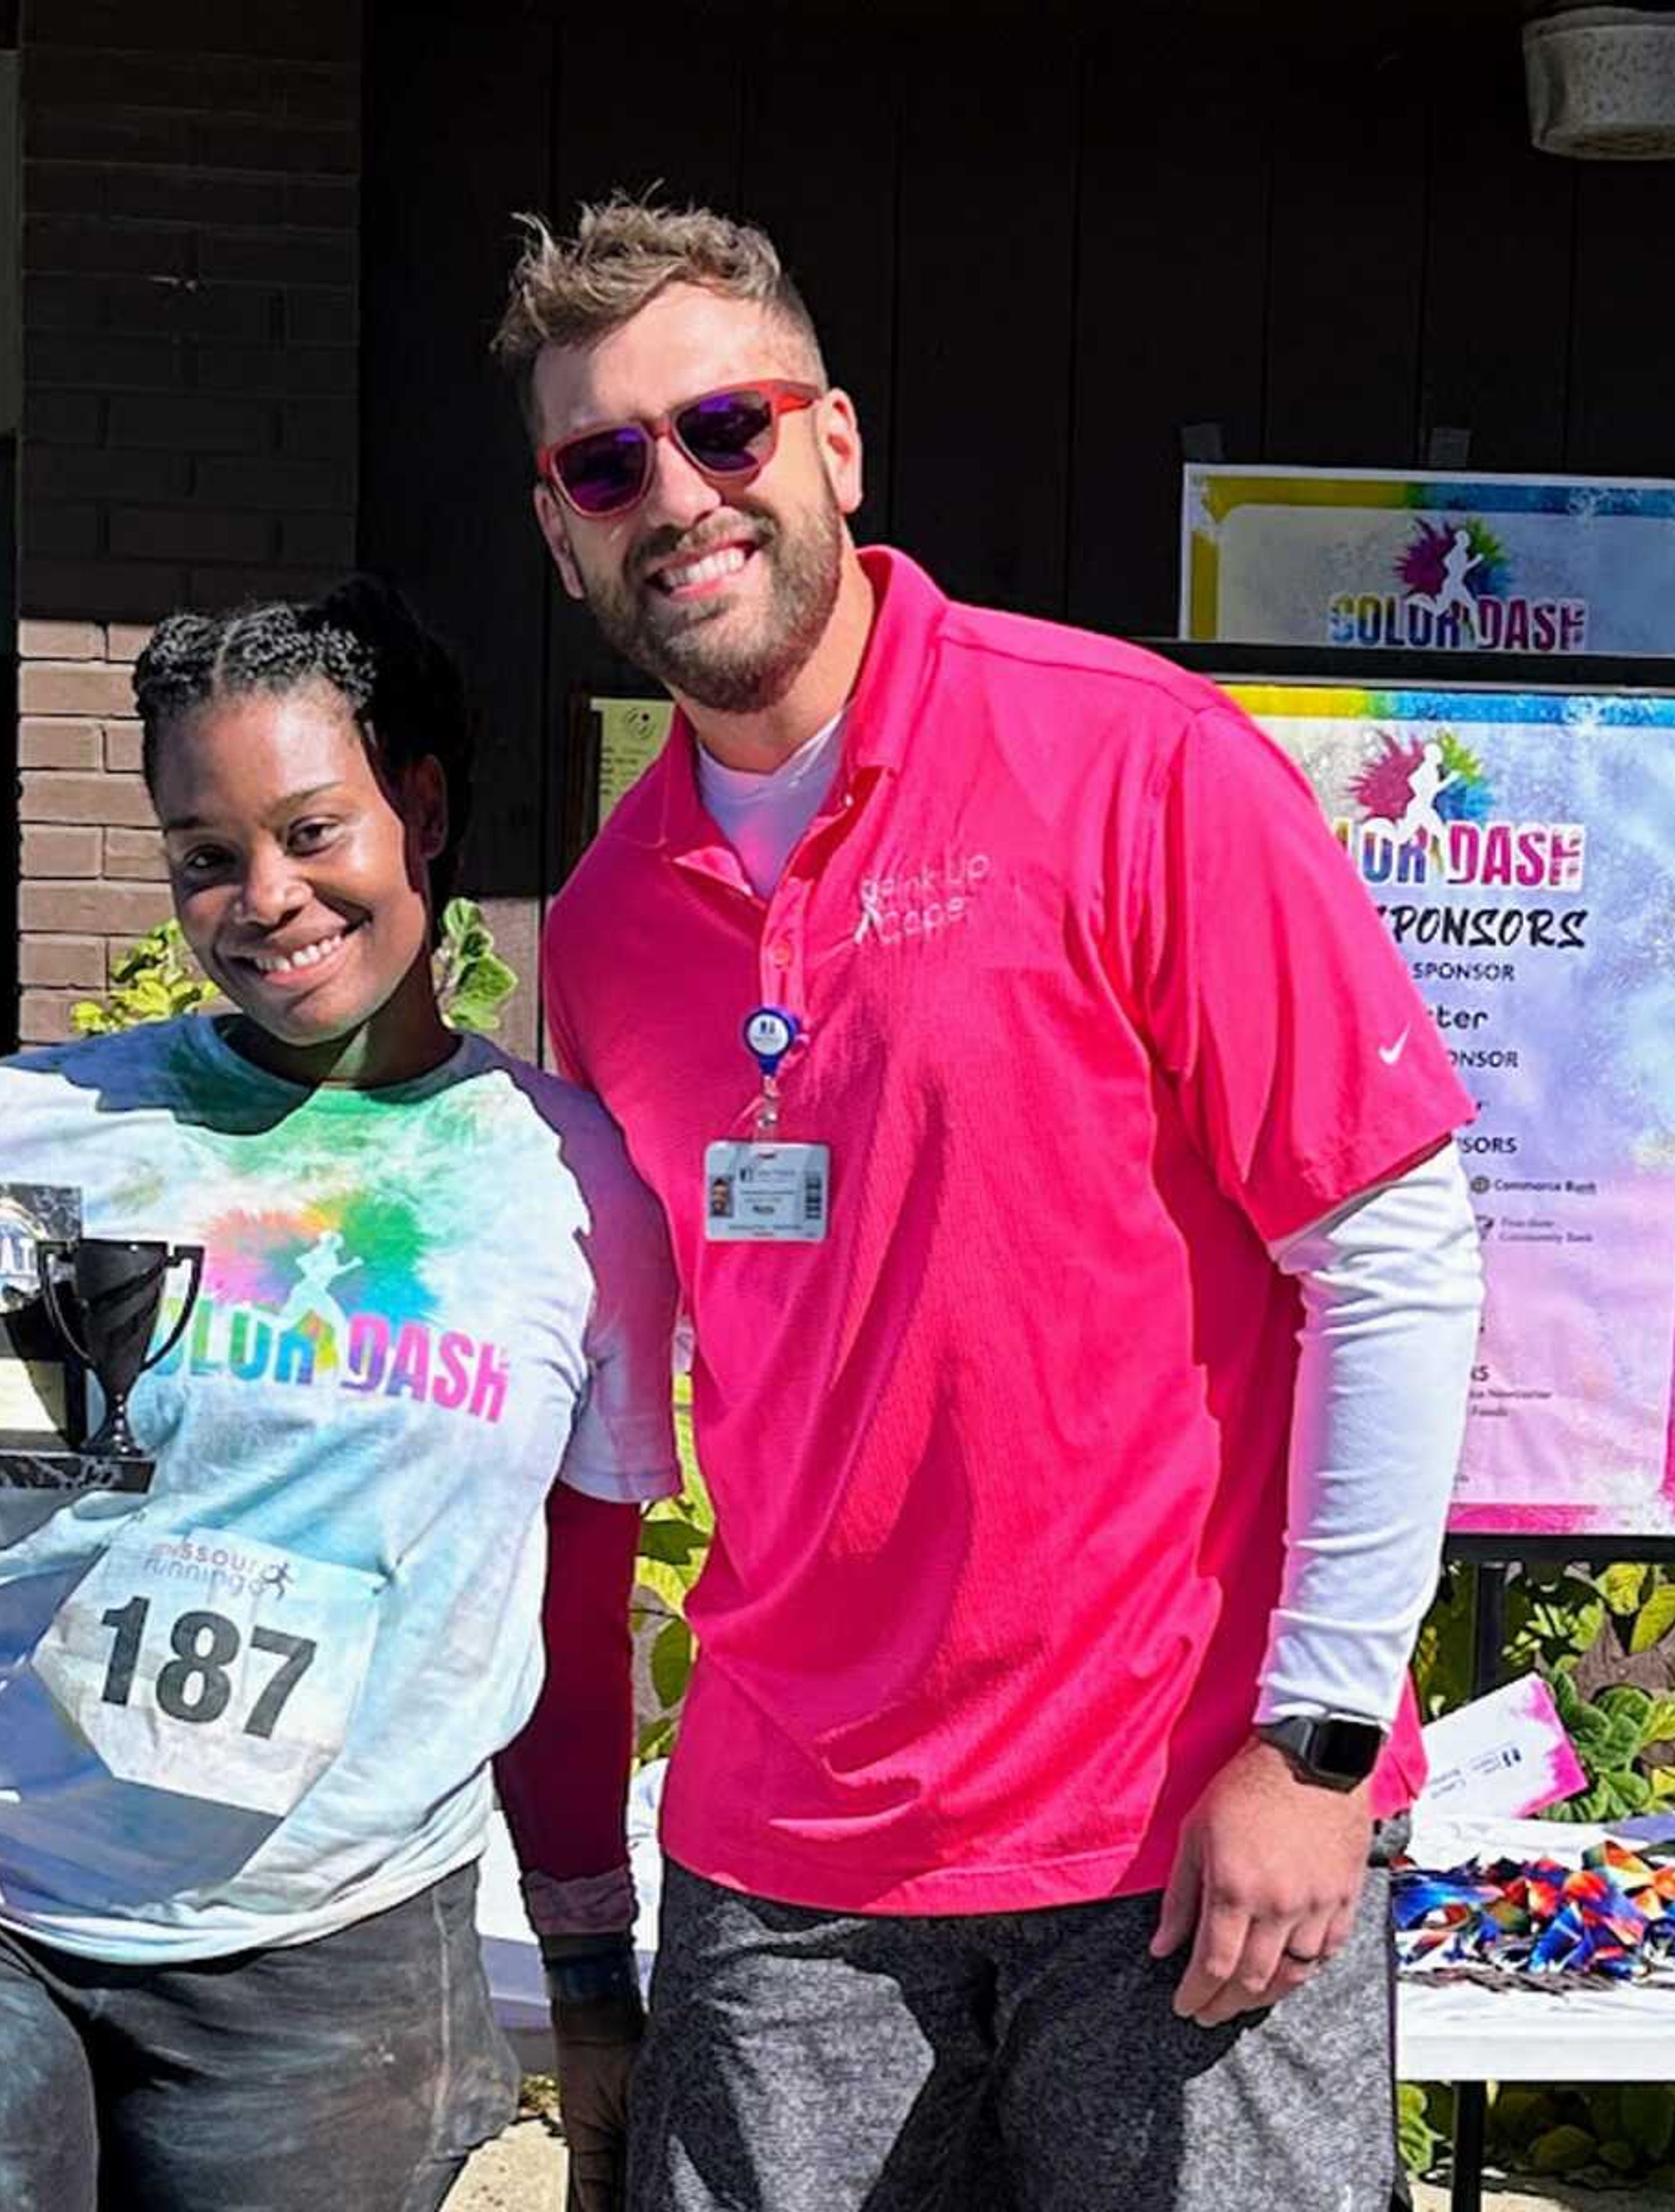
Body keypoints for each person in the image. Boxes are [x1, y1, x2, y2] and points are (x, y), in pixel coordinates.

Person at [495, 200, 1487, 2211]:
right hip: (788, 1863)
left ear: (835, 445)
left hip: (1180, 1838)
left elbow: (1391, 1248)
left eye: (725, 427)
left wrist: (1318, 1744)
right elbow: (591, 1404)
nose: (677, 494)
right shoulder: (603, 927)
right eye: (609, 465)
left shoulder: (1133, 763)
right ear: (561, 528)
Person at [0, 580, 673, 2212]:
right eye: (205, 854)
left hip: (331, 1956)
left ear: (423, 809)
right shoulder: (34, 1131)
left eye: (313, 830)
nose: (265, 899)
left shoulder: (570, 1191)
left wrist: (590, 1985)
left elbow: (573, 1632)